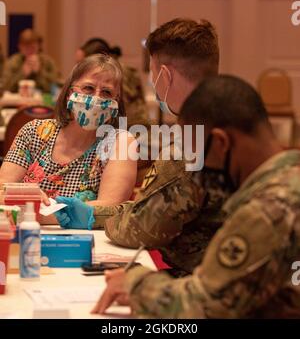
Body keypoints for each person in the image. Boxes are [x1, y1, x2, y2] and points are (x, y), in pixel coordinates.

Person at [92, 75, 300, 319]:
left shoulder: (266, 211)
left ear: (221, 143)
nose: (199, 172)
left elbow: (202, 306)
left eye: (198, 157)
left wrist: (134, 282)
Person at [54, 18, 232, 276]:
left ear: (165, 76)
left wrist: (94, 217)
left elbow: (141, 226)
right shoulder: (233, 119)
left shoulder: (188, 145)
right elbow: (150, 207)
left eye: (152, 74)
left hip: (198, 284)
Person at [0, 54, 137, 224]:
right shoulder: (34, 131)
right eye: (88, 88)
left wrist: (33, 210)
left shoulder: (121, 143)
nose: (96, 98)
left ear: (115, 104)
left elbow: (109, 209)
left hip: (88, 244)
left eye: (106, 92)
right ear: (69, 93)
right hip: (26, 237)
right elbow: (2, 188)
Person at [75, 37, 149, 129]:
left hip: (133, 127)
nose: (77, 67)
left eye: (80, 63)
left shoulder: (117, 73)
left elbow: (120, 106)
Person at [2, 29, 58, 93]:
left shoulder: (48, 62)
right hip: (17, 100)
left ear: (38, 46)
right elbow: (5, 88)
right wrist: (22, 73)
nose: (29, 51)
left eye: (32, 47)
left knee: (50, 100)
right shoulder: (12, 62)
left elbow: (55, 89)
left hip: (43, 100)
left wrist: (39, 72)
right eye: (26, 48)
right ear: (19, 47)